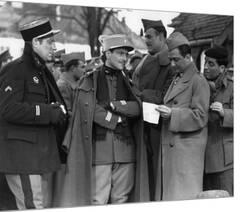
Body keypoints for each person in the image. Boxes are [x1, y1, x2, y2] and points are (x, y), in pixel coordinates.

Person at [57, 34, 150, 206]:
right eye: (120, 53)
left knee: (121, 201)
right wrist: (117, 120)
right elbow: (89, 108)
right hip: (100, 152)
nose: (124, 58)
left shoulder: (129, 81)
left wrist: (115, 105)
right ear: (107, 53)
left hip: (126, 150)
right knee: (98, 200)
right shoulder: (89, 80)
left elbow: (138, 107)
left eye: (126, 54)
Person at [0, 17, 68, 210]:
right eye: (50, 42)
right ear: (36, 42)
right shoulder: (15, 70)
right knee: (32, 206)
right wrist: (47, 112)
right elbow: (8, 109)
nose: (54, 47)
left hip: (35, 155)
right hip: (22, 156)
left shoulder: (40, 70)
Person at [155, 32, 210, 200]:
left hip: (186, 154)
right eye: (171, 59)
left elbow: (200, 116)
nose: (172, 64)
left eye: (176, 60)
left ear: (188, 57)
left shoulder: (198, 81)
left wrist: (172, 114)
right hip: (174, 150)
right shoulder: (177, 78)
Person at [131, 19, 174, 200]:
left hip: (158, 124)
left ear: (162, 36)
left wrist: (139, 95)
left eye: (149, 37)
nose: (145, 40)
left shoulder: (170, 62)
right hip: (143, 121)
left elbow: (167, 96)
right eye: (144, 36)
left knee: (156, 171)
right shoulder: (147, 59)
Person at [203, 46, 233, 196]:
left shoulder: (233, 88)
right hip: (202, 158)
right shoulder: (200, 85)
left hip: (224, 161)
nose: (205, 67)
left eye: (211, 64)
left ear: (222, 68)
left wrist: (224, 113)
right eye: (205, 63)